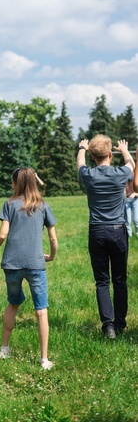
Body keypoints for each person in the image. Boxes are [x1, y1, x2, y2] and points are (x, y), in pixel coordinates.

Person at [0, 167, 57, 370]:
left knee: (13, 304)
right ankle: (44, 359)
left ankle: (4, 349)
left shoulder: (9, 204)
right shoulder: (43, 206)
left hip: (12, 264)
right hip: (36, 264)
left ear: (16, 183)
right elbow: (53, 237)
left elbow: (1, 235)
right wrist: (52, 255)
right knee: (41, 311)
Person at [78, 136, 134, 339]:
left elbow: (80, 164)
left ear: (93, 157)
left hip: (97, 232)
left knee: (102, 281)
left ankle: (108, 326)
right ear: (110, 154)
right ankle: (120, 324)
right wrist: (124, 150)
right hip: (118, 230)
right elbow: (131, 164)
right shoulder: (120, 173)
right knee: (120, 280)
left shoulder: (89, 175)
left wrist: (82, 148)